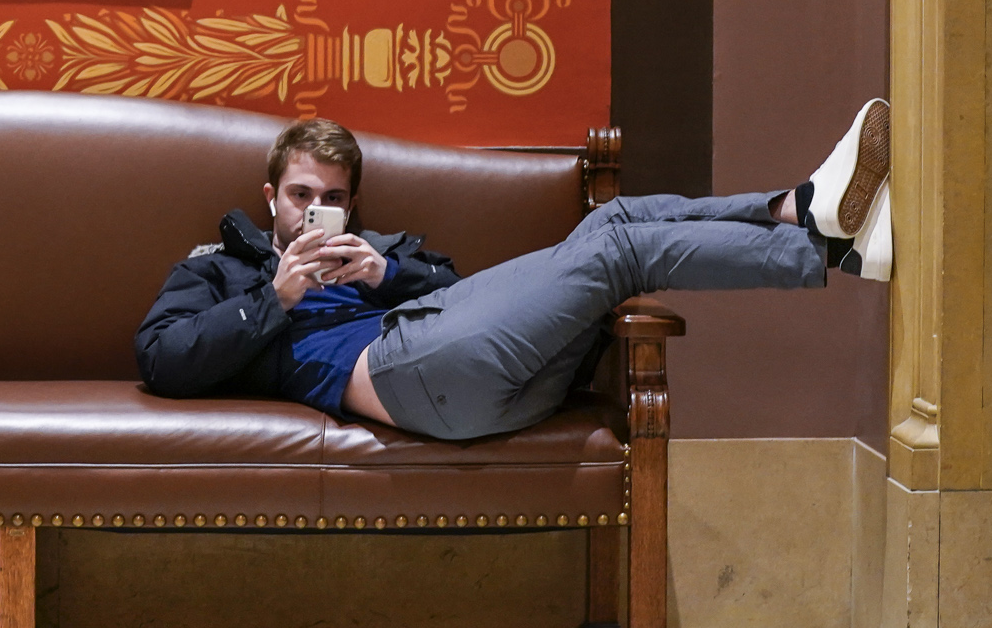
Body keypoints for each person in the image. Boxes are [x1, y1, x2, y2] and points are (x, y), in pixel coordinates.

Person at [134, 104, 891, 442]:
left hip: (481, 370)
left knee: (613, 223)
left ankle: (796, 209)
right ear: (271, 198)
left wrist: (384, 275)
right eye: (301, 196)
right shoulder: (221, 269)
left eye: (333, 198)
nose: (315, 211)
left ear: (353, 202)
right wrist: (276, 296)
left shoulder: (383, 251)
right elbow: (162, 360)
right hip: (412, 383)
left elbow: (464, 295)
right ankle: (826, 245)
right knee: (618, 251)